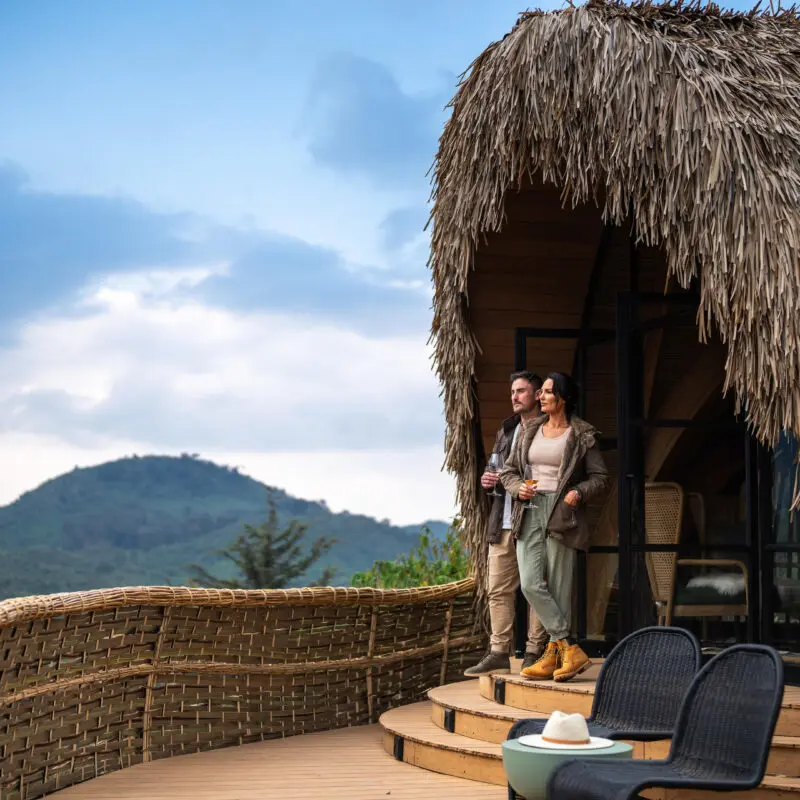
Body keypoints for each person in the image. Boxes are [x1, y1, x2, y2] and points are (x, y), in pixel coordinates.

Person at [500, 372, 609, 682]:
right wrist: (518, 487)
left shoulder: (582, 434)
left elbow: (600, 478)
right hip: (530, 509)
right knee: (531, 584)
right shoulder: (529, 431)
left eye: (548, 392)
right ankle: (570, 647)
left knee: (559, 589)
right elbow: (509, 472)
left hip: (562, 512)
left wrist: (579, 493)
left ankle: (552, 656)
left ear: (562, 398)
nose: (541, 396)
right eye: (542, 392)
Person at [465, 371, 549, 677]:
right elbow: (494, 468)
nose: (514, 396)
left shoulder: (550, 430)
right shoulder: (507, 428)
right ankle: (499, 652)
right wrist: (488, 480)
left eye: (522, 391)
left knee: (535, 588)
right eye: (512, 391)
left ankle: (533, 651)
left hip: (533, 519)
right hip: (502, 520)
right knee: (497, 590)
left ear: (538, 395)